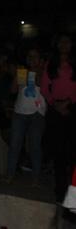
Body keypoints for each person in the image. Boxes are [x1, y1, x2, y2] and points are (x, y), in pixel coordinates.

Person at [2, 47, 45, 187]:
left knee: (35, 146)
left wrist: (39, 69)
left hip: (36, 112)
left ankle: (36, 178)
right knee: (14, 145)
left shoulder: (45, 73)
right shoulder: (22, 72)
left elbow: (40, 83)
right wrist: (17, 75)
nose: (31, 59)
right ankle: (10, 175)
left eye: (35, 56)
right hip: (20, 112)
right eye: (29, 56)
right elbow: (13, 90)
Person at [41, 32, 76, 202]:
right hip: (55, 109)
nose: (64, 45)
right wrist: (55, 103)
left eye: (67, 41)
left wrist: (68, 102)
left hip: (73, 108)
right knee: (58, 151)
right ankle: (61, 190)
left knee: (73, 151)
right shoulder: (50, 64)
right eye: (61, 41)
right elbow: (44, 88)